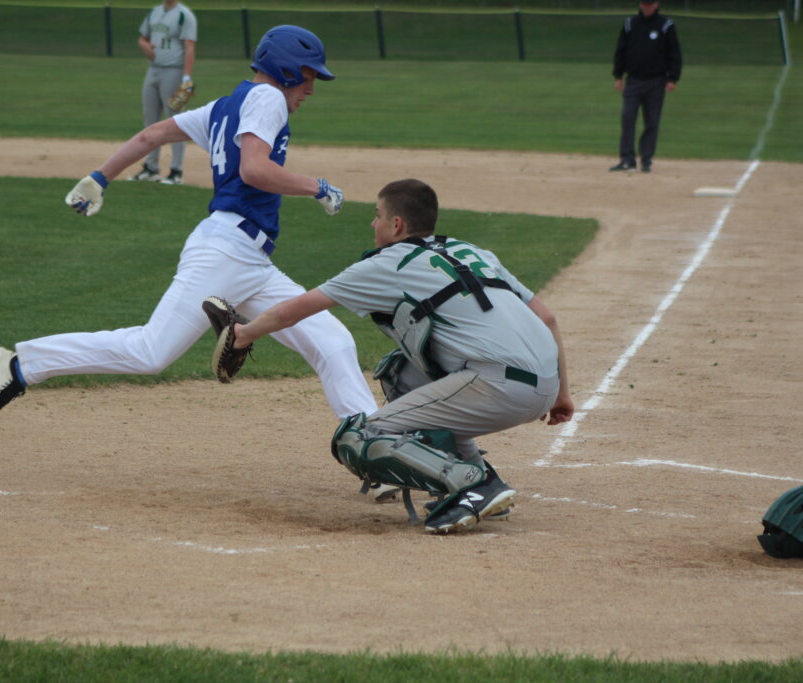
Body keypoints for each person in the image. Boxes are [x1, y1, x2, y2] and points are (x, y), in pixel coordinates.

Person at [0, 26, 378, 446]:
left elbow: (152, 135)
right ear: (288, 70)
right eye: (309, 76)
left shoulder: (225, 106)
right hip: (226, 251)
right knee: (150, 351)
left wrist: (99, 177)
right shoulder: (269, 97)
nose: (311, 88)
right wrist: (318, 186)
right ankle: (22, 364)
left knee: (331, 340)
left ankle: (373, 441)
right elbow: (253, 170)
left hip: (249, 260)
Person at [220, 179, 575, 535]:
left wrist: (244, 334)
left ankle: (473, 486)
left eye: (377, 215)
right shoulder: (472, 251)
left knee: (359, 438)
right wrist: (561, 394)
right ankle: (479, 475)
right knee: (401, 373)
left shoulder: (385, 265)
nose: (373, 224)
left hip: (498, 387)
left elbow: (292, 312)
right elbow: (547, 318)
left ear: (397, 225)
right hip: (546, 383)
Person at [129, 0, 198, 185]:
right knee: (149, 119)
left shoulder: (184, 14)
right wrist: (144, 44)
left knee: (175, 120)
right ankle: (151, 168)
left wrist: (186, 77)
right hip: (153, 70)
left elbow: (189, 46)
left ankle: (176, 171)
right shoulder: (154, 12)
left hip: (173, 71)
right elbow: (142, 37)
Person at [609, 0, 682, 174]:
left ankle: (646, 159)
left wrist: (673, 78)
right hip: (633, 80)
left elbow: (674, 52)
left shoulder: (665, 25)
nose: (646, 7)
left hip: (656, 82)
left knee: (652, 121)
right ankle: (627, 159)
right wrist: (618, 75)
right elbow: (621, 50)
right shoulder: (630, 24)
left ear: (656, 5)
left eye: (649, 4)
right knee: (627, 118)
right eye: (644, 4)